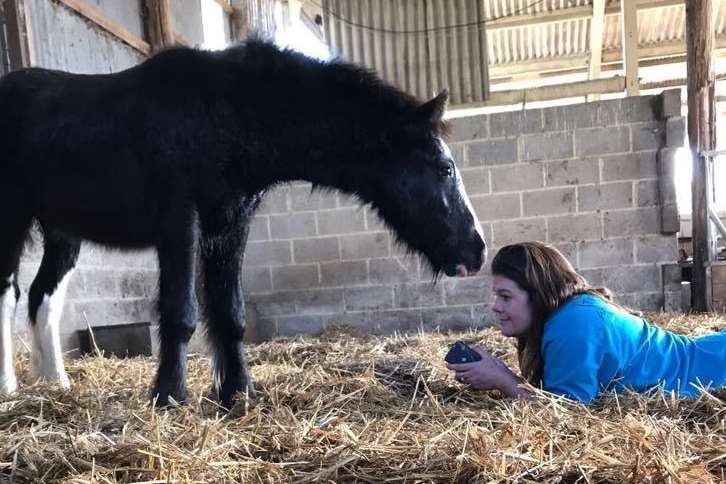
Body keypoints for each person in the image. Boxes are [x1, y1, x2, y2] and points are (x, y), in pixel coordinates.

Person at [447, 241, 726, 404]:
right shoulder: (570, 314)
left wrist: (503, 381)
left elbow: (566, 418)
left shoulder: (573, 324)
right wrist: (498, 370)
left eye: (505, 296)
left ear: (538, 294)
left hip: (712, 371)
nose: (496, 306)